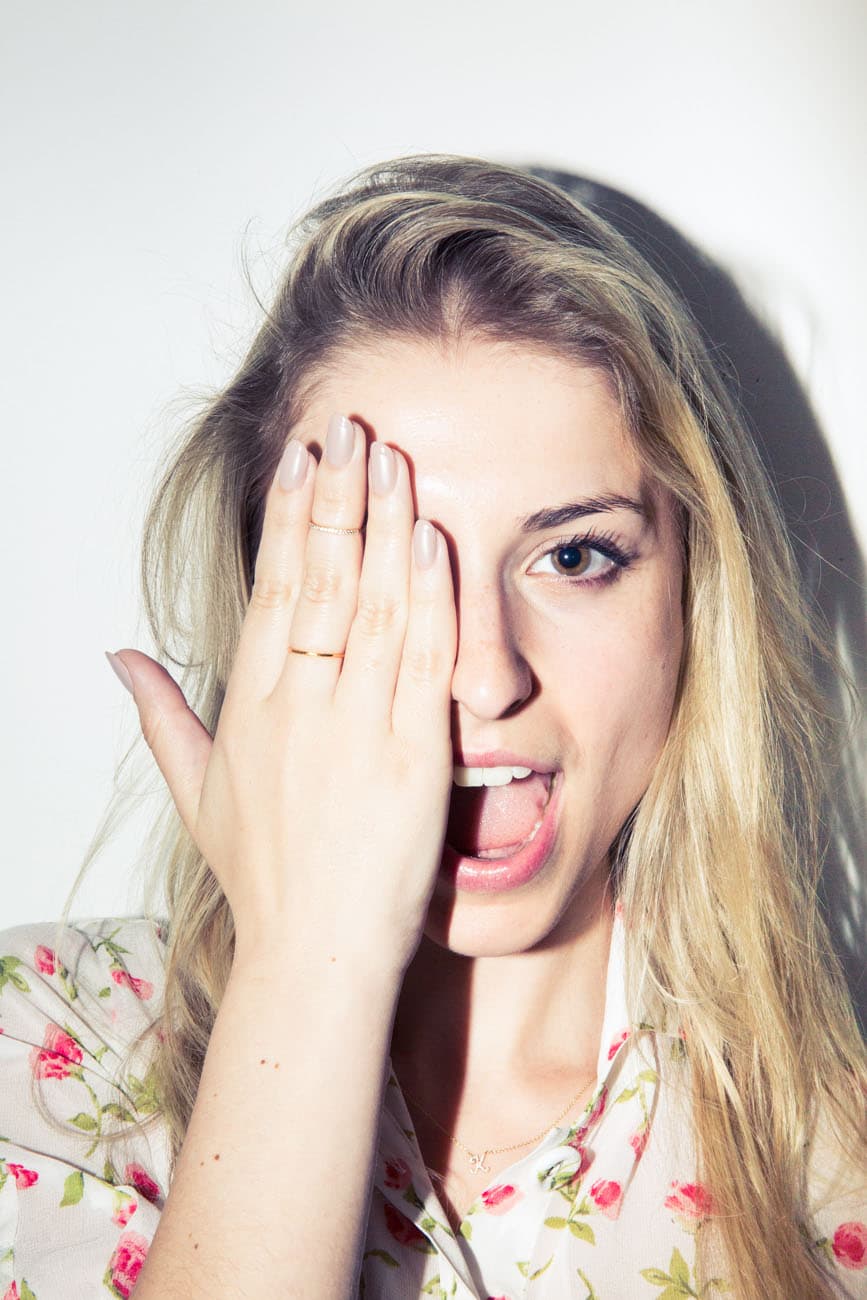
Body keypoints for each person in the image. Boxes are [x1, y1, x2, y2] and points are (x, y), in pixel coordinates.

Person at [0, 154, 864, 1300]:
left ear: (693, 603)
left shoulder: (834, 1171)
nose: (485, 674)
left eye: (575, 555)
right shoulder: (38, 1058)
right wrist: (307, 966)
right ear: (267, 608)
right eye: (384, 562)